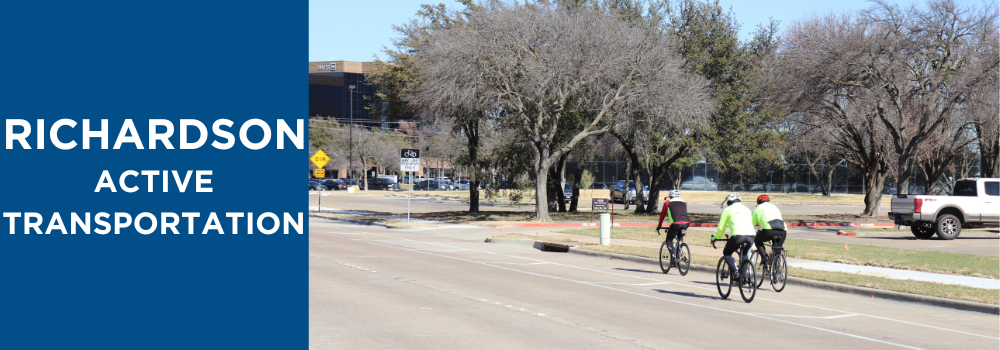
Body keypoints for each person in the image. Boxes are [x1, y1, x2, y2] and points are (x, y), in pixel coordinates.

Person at [712, 193, 756, 278]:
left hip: (738, 236)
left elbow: (721, 227)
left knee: (727, 253)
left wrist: (716, 237)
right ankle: (742, 278)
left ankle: (735, 272)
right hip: (751, 236)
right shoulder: (747, 209)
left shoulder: (727, 210)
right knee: (744, 254)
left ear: (728, 201)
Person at [752, 194, 786, 265]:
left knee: (757, 240)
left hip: (769, 230)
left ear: (758, 202)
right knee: (777, 249)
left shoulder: (758, 208)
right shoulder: (774, 207)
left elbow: (752, 223)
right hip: (783, 231)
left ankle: (765, 256)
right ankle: (776, 269)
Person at [656, 190, 690, 259]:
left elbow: (662, 215)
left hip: (676, 223)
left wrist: (659, 226)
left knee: (669, 240)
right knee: (680, 236)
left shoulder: (667, 203)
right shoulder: (684, 202)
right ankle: (680, 249)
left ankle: (673, 256)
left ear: (670, 197)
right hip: (686, 222)